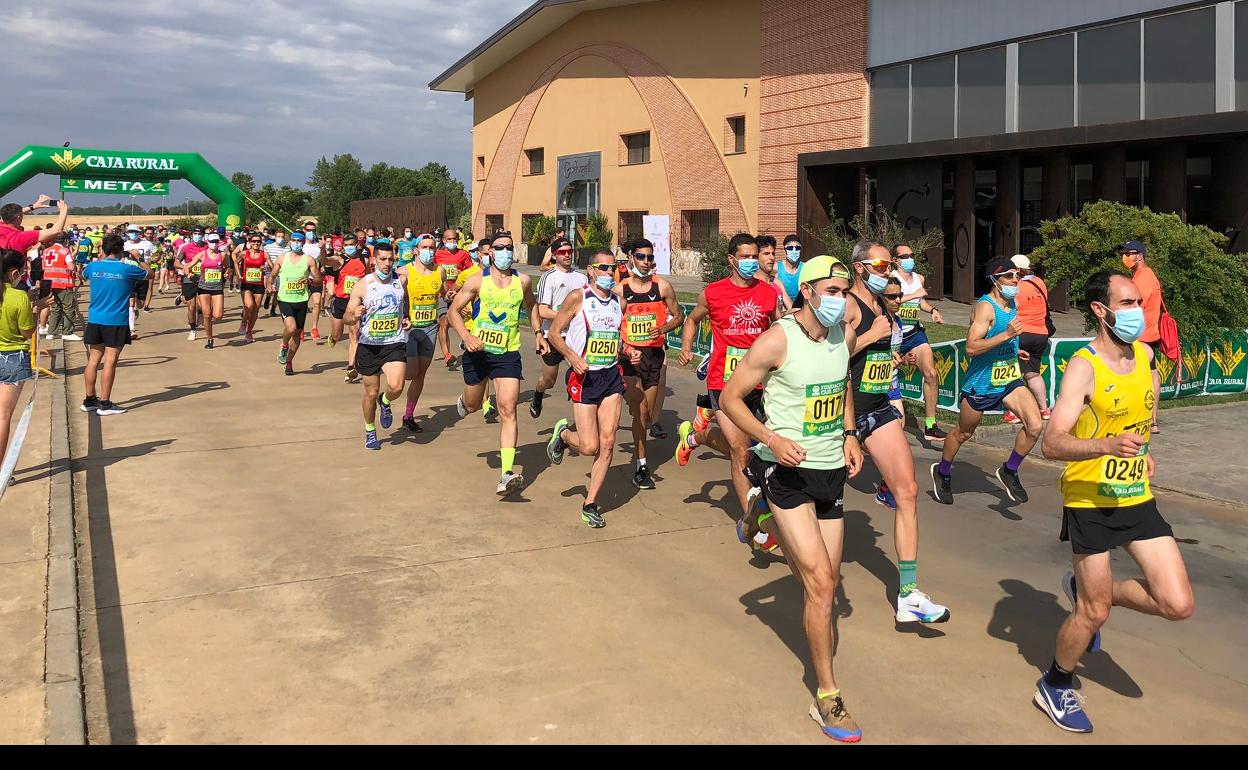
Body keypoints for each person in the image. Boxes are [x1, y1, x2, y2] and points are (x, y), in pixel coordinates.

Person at [1035, 270, 1194, 733]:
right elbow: (1052, 443)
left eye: (1139, 301)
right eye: (1126, 303)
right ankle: (1055, 683)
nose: (1138, 311)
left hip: (1136, 497)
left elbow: (1143, 422)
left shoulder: (1146, 357)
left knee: (1177, 603)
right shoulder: (1083, 366)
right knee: (1093, 611)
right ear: (1102, 312)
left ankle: (1092, 594)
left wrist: (1144, 455)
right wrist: (1105, 445)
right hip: (1090, 501)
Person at [719, 255, 864, 742]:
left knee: (823, 579)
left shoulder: (840, 337)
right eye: (832, 291)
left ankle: (758, 514)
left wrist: (848, 434)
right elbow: (731, 398)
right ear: (807, 292)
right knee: (822, 585)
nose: (840, 301)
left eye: (845, 293)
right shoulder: (778, 338)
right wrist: (773, 439)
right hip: (789, 474)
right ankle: (827, 695)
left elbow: (842, 384)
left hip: (831, 475)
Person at [844, 241, 950, 625]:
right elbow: (833, 354)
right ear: (859, 268)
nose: (888, 270)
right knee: (805, 490)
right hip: (840, 413)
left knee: (907, 492)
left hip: (879, 407)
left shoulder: (881, 305)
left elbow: (877, 357)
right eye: (881, 264)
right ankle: (761, 504)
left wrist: (892, 354)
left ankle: (908, 594)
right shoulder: (849, 306)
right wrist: (872, 337)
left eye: (890, 264)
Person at [675, 234, 782, 527]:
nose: (750, 261)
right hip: (723, 383)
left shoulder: (768, 293)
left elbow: (781, 328)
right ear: (731, 260)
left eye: (754, 256)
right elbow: (693, 319)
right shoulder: (713, 293)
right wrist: (686, 347)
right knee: (741, 450)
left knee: (761, 448)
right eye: (744, 257)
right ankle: (755, 521)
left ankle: (696, 437)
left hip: (761, 383)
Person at [931, 257, 1043, 506]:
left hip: (1009, 379)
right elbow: (971, 347)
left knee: (1034, 425)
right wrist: (1007, 335)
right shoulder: (985, 307)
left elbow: (1005, 340)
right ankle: (943, 471)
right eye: (1009, 276)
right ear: (995, 280)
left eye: (1017, 275)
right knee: (963, 433)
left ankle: (1010, 470)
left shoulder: (1011, 302)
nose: (1016, 280)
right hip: (981, 383)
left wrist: (1014, 350)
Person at [545, 256, 639, 527]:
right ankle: (563, 435)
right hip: (583, 377)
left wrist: (627, 351)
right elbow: (554, 333)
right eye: (604, 268)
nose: (610, 272)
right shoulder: (578, 297)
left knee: (607, 443)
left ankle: (590, 503)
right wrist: (572, 357)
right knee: (589, 446)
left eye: (613, 268)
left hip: (610, 376)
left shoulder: (619, 302)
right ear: (591, 270)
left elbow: (615, 339)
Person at [448, 230, 544, 496]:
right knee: (473, 404)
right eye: (500, 248)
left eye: (509, 248)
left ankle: (507, 473)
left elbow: (532, 306)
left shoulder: (522, 281)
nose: (506, 253)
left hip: (507, 353)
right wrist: (466, 336)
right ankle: (466, 402)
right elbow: (454, 311)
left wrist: (538, 333)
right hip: (478, 352)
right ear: (489, 252)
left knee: (508, 408)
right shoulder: (477, 281)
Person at [616, 239, 682, 489]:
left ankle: (639, 452)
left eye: (649, 257)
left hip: (653, 356)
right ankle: (641, 465)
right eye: (641, 257)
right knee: (641, 410)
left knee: (643, 415)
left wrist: (662, 328)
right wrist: (624, 348)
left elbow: (679, 316)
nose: (646, 262)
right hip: (630, 358)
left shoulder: (662, 287)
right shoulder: (620, 290)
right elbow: (609, 324)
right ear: (631, 258)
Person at [344, 243, 409, 450]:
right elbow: (346, 316)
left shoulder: (401, 280)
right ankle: (370, 430)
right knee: (371, 393)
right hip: (369, 345)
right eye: (382, 259)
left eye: (391, 259)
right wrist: (354, 315)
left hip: (394, 342)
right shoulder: (363, 284)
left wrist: (406, 317)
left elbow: (404, 300)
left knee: (397, 386)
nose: (387, 263)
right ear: (374, 260)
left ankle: (386, 401)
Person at [80, 235, 151, 415]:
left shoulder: (93, 267)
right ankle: (105, 403)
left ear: (103, 249)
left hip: (95, 318)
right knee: (110, 360)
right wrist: (138, 258)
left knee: (94, 359)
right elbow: (149, 274)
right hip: (116, 320)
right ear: (121, 250)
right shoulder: (126, 269)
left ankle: (89, 399)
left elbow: (83, 274)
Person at [890, 244, 948, 444]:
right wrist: (914, 295)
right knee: (886, 378)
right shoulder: (890, 279)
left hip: (914, 333)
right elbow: (894, 300)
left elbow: (920, 302)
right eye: (905, 256)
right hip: (893, 334)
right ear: (896, 260)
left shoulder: (919, 278)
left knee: (931, 374)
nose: (910, 258)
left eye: (911, 255)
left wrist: (932, 310)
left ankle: (930, 425)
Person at [1, 250, 48, 469]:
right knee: (3, 417)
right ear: (14, 273)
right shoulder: (17, 296)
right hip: (12, 356)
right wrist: (36, 311)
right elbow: (28, 332)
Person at [530, 237, 587, 419]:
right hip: (552, 335)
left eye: (570, 251)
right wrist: (566, 316)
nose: (568, 255)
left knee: (582, 372)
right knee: (549, 380)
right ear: (554, 255)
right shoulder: (549, 277)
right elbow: (542, 310)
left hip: (575, 336)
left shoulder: (581, 277)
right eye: (563, 252)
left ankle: (581, 408)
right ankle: (538, 394)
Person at [397, 237, 444, 432]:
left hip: (430, 328)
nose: (429, 251)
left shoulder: (439, 271)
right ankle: (386, 398)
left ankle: (408, 415)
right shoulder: (404, 271)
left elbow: (442, 293)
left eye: (432, 247)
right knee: (409, 374)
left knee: (420, 374)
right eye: (424, 247)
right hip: (410, 328)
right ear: (415, 250)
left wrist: (450, 299)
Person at [1120, 241, 1163, 433]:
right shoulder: (1142, 275)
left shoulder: (1143, 277)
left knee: (1139, 375)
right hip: (1145, 332)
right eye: (1125, 252)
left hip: (1140, 334)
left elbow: (1135, 303)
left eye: (1130, 252)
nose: (1126, 256)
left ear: (1141, 255)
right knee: (1150, 373)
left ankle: (1146, 419)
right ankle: (1151, 420)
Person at [1008, 254, 1053, 422]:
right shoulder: (1039, 283)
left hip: (1022, 331)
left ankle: (1015, 412)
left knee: (1015, 373)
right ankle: (1044, 409)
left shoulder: (1017, 286)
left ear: (1017, 269)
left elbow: (1013, 306)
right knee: (1033, 374)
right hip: (1041, 333)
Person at [275, 231, 320, 375]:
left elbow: (319, 279)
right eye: (293, 240)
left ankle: (289, 361)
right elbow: (273, 274)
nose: (296, 243)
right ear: (289, 242)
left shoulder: (309, 260)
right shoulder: (282, 259)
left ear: (303, 243)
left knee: (297, 336)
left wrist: (310, 280)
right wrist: (269, 284)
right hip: (285, 299)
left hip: (301, 301)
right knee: (291, 328)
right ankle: (283, 345)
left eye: (299, 241)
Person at [435, 227, 473, 370]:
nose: (452, 242)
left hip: (459, 294)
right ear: (444, 240)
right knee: (444, 322)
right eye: (449, 239)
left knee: (463, 321)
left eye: (454, 239)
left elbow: (471, 273)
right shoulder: (437, 254)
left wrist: (461, 272)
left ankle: (467, 341)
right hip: (443, 293)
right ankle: (447, 355)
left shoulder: (463, 255)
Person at [333, 235, 369, 382]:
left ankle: (351, 367)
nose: (349, 246)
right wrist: (322, 250)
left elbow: (367, 277)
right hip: (340, 301)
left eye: (352, 244)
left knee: (354, 335)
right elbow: (324, 261)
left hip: (355, 302)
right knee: (337, 335)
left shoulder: (364, 260)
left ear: (357, 244)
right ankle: (333, 337)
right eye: (346, 244)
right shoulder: (339, 260)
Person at [183, 234, 227, 349]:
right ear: (207, 242)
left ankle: (201, 308)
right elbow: (187, 266)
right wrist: (189, 273)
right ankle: (210, 339)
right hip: (204, 288)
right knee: (207, 315)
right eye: (212, 241)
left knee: (218, 315)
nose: (214, 243)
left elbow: (228, 268)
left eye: (216, 241)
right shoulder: (202, 254)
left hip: (217, 288)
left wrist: (227, 273)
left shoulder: (223, 255)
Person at [41, 233, 82, 341]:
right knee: (69, 307)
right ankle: (67, 332)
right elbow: (71, 266)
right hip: (62, 283)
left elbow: (44, 266)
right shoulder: (65, 251)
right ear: (66, 241)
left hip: (49, 283)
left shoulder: (46, 251)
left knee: (55, 308)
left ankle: (51, 332)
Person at [0, 195, 69, 253]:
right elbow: (56, 230)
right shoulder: (22, 237)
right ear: (19, 217)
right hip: (15, 267)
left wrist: (33, 206)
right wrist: (63, 210)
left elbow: (7, 216)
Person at [236, 234, 269, 343]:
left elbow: (273, 267)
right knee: (249, 305)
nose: (256, 243)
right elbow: (236, 262)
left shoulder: (264, 255)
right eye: (253, 241)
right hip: (246, 283)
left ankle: (249, 332)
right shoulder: (245, 253)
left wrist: (266, 267)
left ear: (261, 243)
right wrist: (239, 274)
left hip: (259, 285)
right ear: (250, 242)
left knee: (255, 310)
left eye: (258, 241)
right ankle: (244, 321)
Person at [176, 226, 207, 339]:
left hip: (204, 278)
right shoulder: (185, 247)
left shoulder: (208, 247)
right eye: (195, 233)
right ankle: (193, 329)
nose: (197, 236)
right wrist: (186, 267)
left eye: (199, 234)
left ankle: (200, 313)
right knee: (191, 306)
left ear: (203, 235)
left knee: (202, 304)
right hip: (189, 278)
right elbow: (176, 263)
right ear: (191, 235)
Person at [776, 234, 802, 306]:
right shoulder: (776, 268)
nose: (794, 251)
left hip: (801, 308)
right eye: (790, 248)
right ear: (785, 250)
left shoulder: (806, 267)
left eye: (797, 248)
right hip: (783, 309)